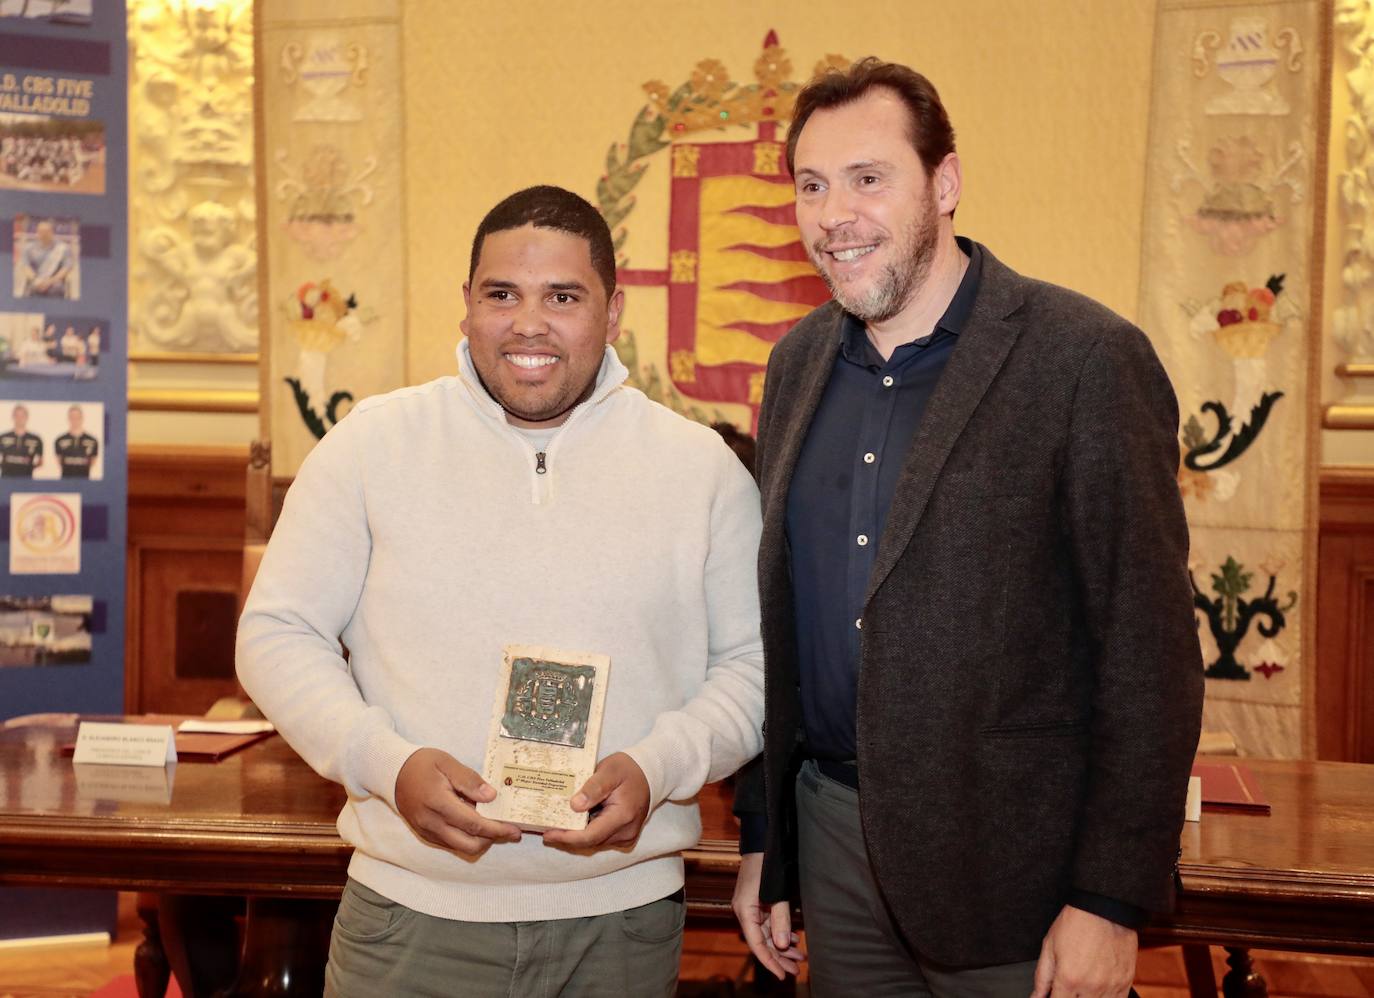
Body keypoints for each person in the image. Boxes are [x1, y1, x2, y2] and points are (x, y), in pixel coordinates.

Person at [730, 58, 1204, 998]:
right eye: (812, 186)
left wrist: (1110, 898)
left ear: (944, 183)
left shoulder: (1085, 360)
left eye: (868, 178)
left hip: (1016, 870)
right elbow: (780, 630)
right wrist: (766, 841)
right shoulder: (794, 365)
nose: (834, 215)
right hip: (832, 846)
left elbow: (1148, 655)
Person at [237, 185, 765, 997]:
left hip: (621, 927)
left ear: (613, 312)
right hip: (409, 920)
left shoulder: (701, 470)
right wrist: (387, 764)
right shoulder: (370, 446)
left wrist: (659, 766)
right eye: (502, 295)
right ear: (467, 306)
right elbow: (277, 634)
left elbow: (754, 666)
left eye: (563, 297)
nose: (528, 324)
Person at [17, 219, 73, 298]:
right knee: (33, 289)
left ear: (52, 232)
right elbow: (25, 266)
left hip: (55, 282)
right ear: (37, 232)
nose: (43, 234)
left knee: (56, 289)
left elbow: (66, 267)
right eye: (40, 231)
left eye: (46, 231)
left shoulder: (63, 248)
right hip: (35, 280)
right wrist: (36, 280)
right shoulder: (28, 248)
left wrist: (50, 281)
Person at [54, 405, 97, 479]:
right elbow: (59, 461)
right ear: (68, 418)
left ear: (82, 418)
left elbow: (92, 462)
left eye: (77, 417)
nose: (75, 419)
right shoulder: (60, 440)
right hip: (66, 480)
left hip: (84, 480)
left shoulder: (92, 441)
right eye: (72, 417)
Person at [0, 403, 42, 477]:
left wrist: (29, 467)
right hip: (6, 478)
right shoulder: (3, 437)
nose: (19, 419)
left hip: (26, 479)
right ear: (12, 417)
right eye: (17, 416)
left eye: (22, 416)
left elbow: (40, 461)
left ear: (27, 417)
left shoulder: (35, 439)